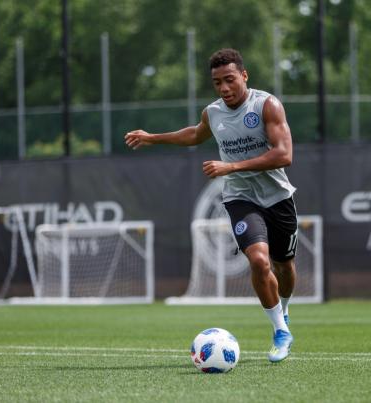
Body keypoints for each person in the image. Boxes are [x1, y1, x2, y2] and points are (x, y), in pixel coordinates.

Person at [125, 48, 298, 363]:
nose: (224, 88)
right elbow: (194, 134)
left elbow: (284, 154)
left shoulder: (266, 105)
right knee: (259, 262)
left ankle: (284, 311)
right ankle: (279, 331)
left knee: (283, 265)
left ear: (244, 76)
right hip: (240, 198)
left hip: (277, 197)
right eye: (217, 83)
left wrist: (231, 166)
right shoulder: (213, 112)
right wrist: (153, 138)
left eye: (229, 80)